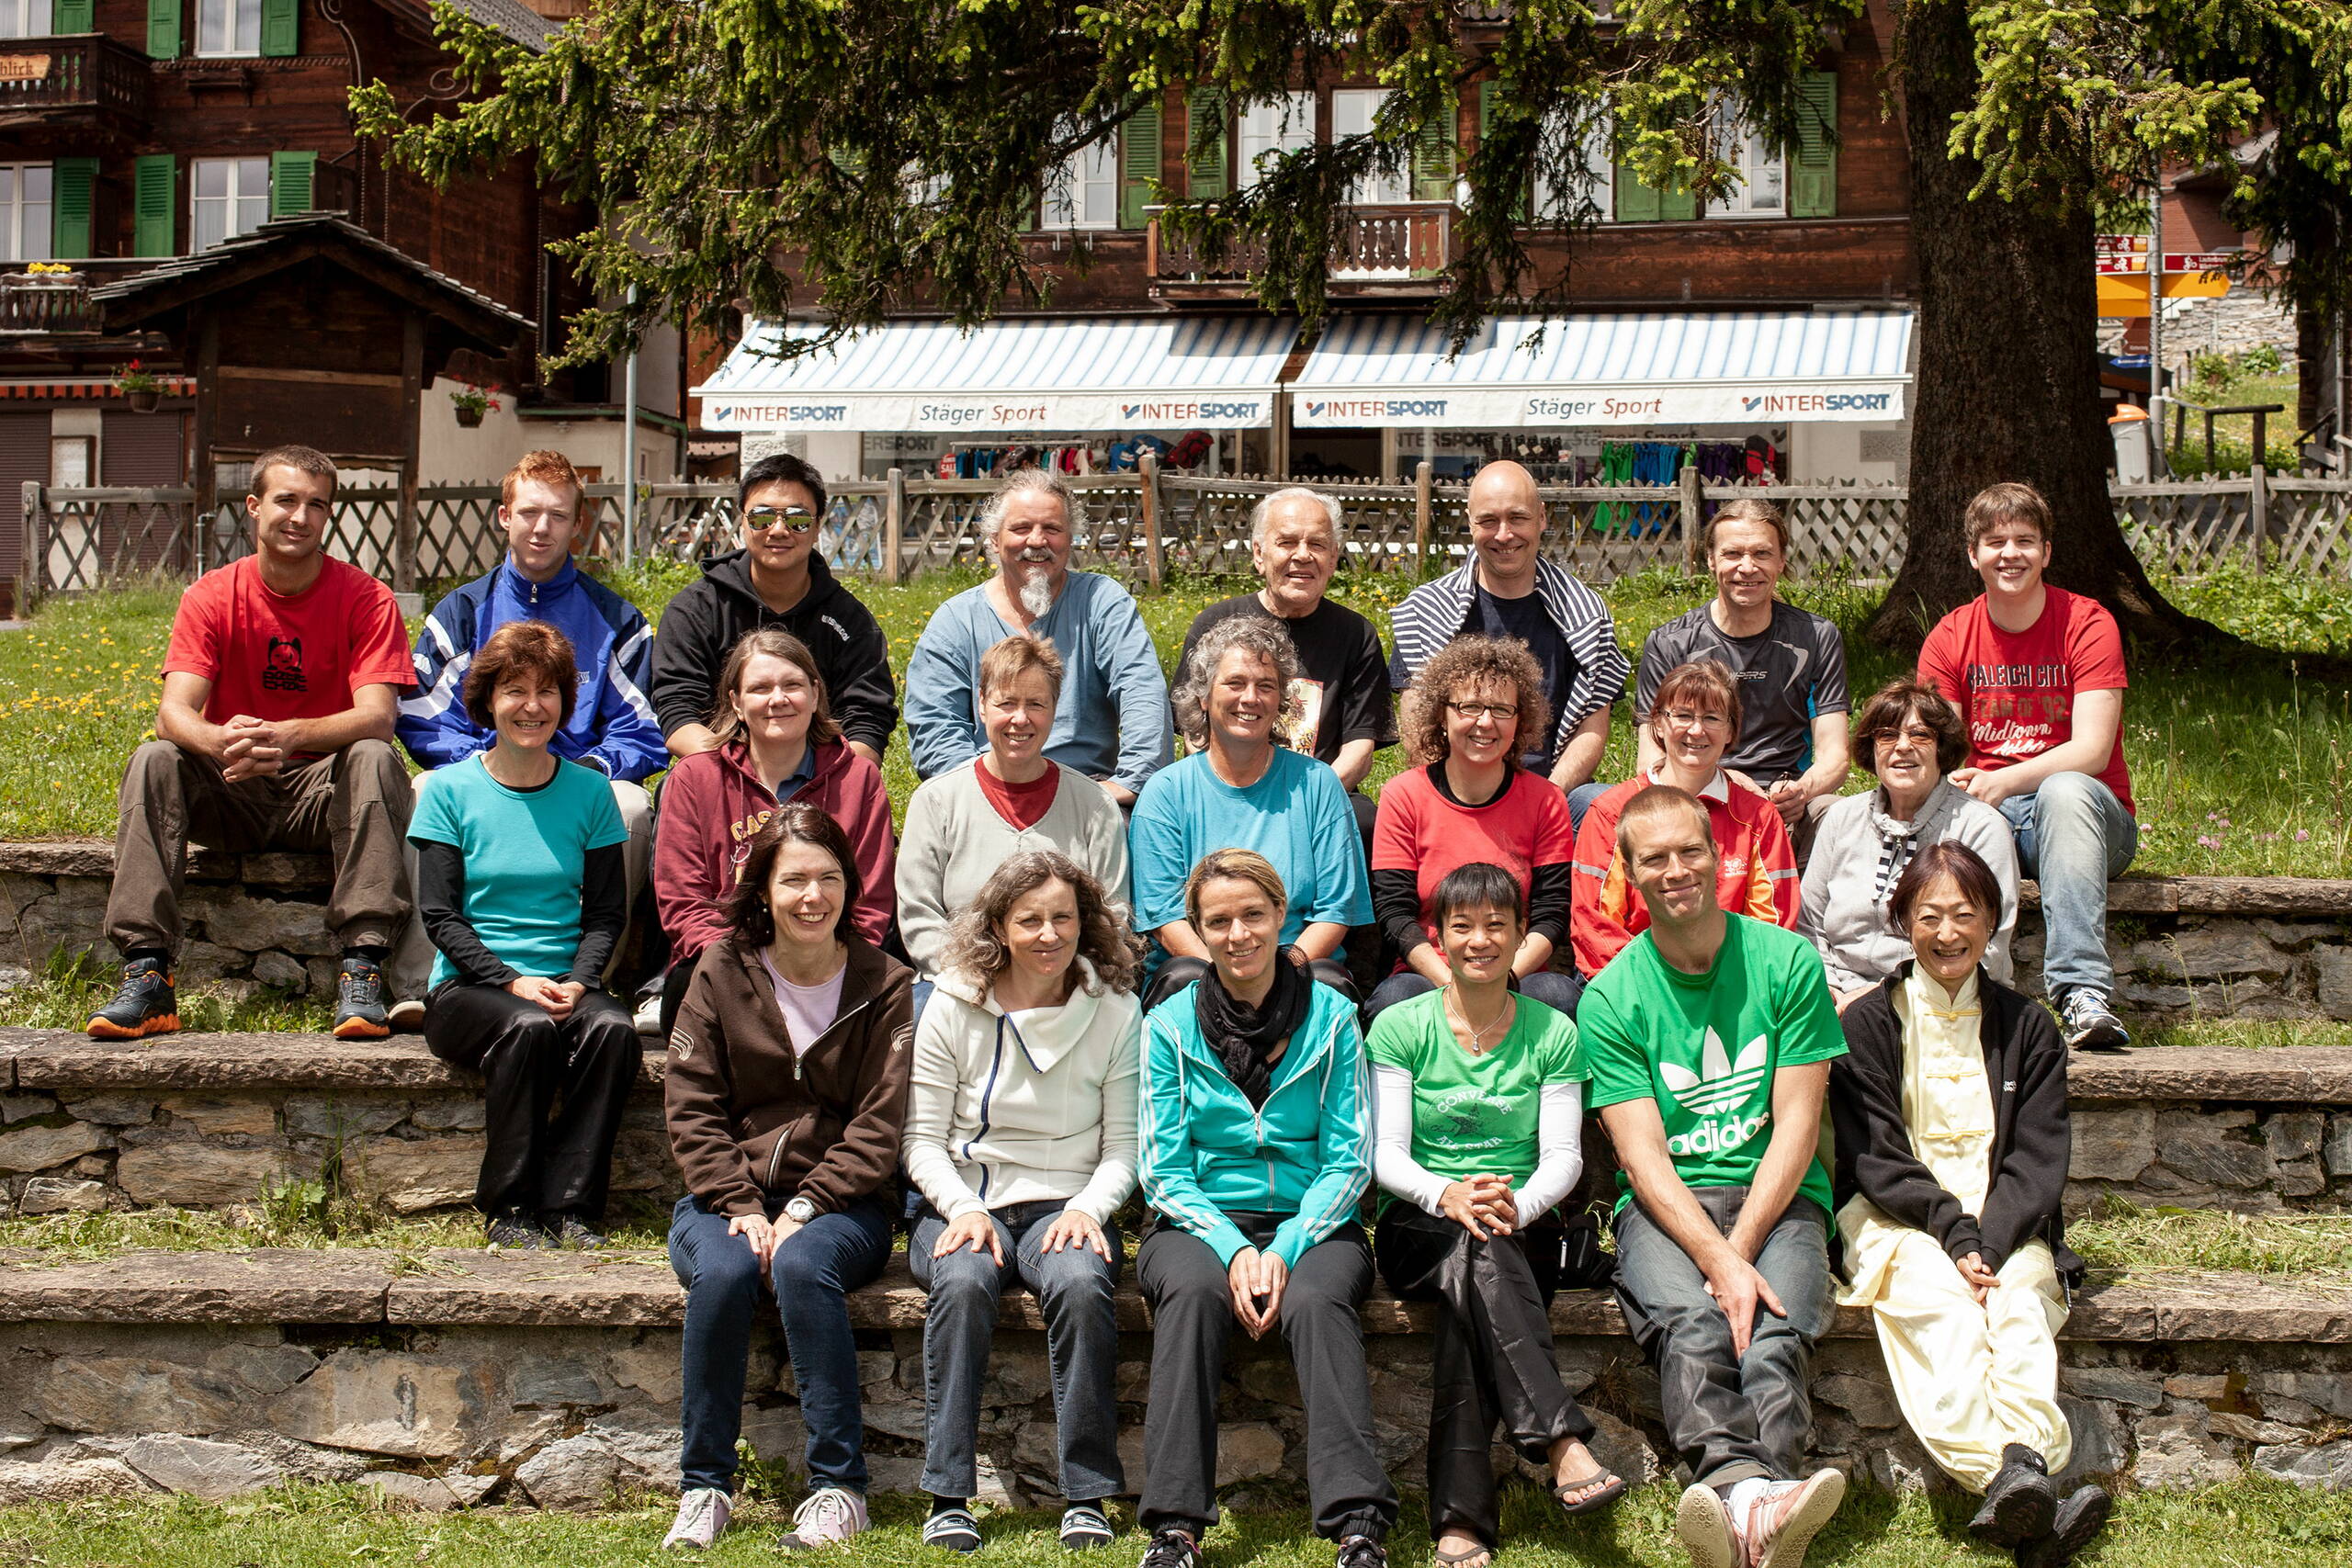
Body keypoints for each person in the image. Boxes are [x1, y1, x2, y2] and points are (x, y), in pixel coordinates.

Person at [1580, 786, 1849, 1568]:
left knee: (1775, 1326)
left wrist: (1743, 1247)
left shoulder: (1786, 960)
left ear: (1722, 854)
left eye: (1690, 850)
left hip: (1779, 1192)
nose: (1676, 870)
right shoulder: (1610, 997)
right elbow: (1643, 1158)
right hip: (1669, 1207)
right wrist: (1719, 1257)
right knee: (1695, 1325)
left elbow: (1796, 1127)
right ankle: (1756, 1501)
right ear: (1628, 874)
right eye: (1653, 859)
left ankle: (1738, 1505)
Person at [1830, 841, 2109, 1568]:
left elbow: (2037, 1158)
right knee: (1944, 1307)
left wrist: (1988, 1239)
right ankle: (2021, 1484)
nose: (1948, 932)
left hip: (2007, 1222)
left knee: (2018, 1307)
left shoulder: (2030, 1027)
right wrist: (1954, 1236)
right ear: (1902, 921)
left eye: (1966, 914)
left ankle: (2015, 1479)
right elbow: (1877, 1156)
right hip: (1898, 1220)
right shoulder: (1866, 1025)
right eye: (1930, 916)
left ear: (1993, 921)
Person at [92, 445, 414, 1042]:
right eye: (286, 499)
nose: (300, 516)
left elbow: (377, 717)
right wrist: (219, 741)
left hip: (322, 793)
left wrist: (291, 733)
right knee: (154, 757)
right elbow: (172, 714)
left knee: (373, 757)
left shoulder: (367, 599)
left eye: (316, 505)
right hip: (233, 786)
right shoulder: (211, 596)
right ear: (253, 506)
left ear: (328, 516)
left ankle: (363, 968)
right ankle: (147, 972)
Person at [662, 805, 914, 1554]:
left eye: (829, 878)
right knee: (726, 1271)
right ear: (763, 889)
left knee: (803, 1266)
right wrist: (739, 1203)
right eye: (794, 878)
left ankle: (840, 1488)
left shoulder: (885, 981)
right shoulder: (721, 968)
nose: (814, 896)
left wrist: (806, 1205)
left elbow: (880, 1123)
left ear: (851, 885)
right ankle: (704, 1486)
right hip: (723, 1195)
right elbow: (692, 1103)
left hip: (844, 1203)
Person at [1135, 850, 1396, 1568]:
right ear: (1198, 931)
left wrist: (1283, 1248)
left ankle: (1358, 1525)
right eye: (1218, 921)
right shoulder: (1168, 1026)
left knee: (1314, 1301)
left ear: (1282, 917)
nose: (1238, 933)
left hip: (1314, 1220)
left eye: (1254, 914)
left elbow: (1350, 1158)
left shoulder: (1336, 1018)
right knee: (1190, 1292)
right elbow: (1162, 1168)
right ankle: (1175, 1526)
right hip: (1195, 1218)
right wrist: (1232, 1245)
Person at [1369, 863, 1623, 1568]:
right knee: (1467, 1247)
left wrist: (1520, 1202)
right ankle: (1562, 1440)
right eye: (1463, 925)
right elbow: (1385, 1154)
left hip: (1520, 1226)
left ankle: (1462, 1524)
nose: (1480, 939)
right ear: (1438, 937)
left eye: (1496, 925)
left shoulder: (1553, 1031)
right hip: (1418, 1223)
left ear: (1520, 934)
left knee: (1472, 1282)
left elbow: (1565, 1157)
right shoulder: (1399, 1026)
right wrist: (1445, 1194)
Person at [902, 851, 1140, 1554]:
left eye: (1062, 916)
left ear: (1084, 921)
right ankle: (948, 1493)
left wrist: (1087, 1210)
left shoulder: (1116, 1010)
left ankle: (1089, 1494)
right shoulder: (952, 1001)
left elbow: (1125, 1145)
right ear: (999, 927)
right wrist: (961, 1209)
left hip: (1063, 1204)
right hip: (964, 1200)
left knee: (1079, 1280)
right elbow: (921, 1139)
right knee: (966, 1279)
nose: (1047, 933)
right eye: (1028, 918)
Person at [390, 449, 666, 1027]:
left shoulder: (616, 619)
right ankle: (422, 981)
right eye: (530, 512)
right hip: (484, 774)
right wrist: (484, 764)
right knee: (425, 794)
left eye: (558, 516)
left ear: (577, 524)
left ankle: (587, 981)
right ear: (504, 517)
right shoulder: (461, 611)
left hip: (579, 782)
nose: (542, 528)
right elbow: (419, 711)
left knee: (633, 805)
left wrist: (587, 769)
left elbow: (643, 724)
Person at [410, 620, 639, 1248]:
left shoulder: (592, 794)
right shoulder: (449, 792)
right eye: (514, 690)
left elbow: (605, 916)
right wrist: (512, 980)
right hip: (468, 990)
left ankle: (573, 1205)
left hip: (564, 980)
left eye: (547, 691)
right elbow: (441, 917)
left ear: (565, 703)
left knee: (614, 1031)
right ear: (487, 701)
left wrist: (578, 981)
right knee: (529, 1026)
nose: (531, 706)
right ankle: (508, 1206)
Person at [1918, 480, 2137, 1051]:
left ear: (2046, 551)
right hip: (1993, 814)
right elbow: (1935, 745)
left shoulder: (2088, 623)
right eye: (1995, 542)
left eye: (2025, 540)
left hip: (2090, 819)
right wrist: (1965, 786)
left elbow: (2091, 750)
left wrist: (2005, 779)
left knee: (2065, 788)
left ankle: (2081, 993)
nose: (2009, 553)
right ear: (1973, 555)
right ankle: (1953, 993)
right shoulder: (1950, 635)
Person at [651, 627, 896, 1038]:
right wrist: (751, 966)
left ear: (815, 694)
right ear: (736, 701)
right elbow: (682, 903)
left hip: (830, 964)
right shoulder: (695, 779)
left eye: (793, 685)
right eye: (760, 688)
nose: (777, 699)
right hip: (724, 963)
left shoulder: (858, 778)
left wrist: (812, 964)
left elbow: (870, 903)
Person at [1129, 615, 1370, 1010]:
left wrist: (1278, 976)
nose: (1250, 698)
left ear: (1282, 701)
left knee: (1329, 983)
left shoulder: (1318, 785)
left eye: (1266, 686)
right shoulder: (1166, 794)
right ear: (1204, 696)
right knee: (1184, 977)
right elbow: (1166, 920)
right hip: (1199, 974)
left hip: (1298, 967)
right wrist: (1232, 977)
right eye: (1235, 683)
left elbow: (1335, 910)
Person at [897, 635, 1131, 1020]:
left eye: (1036, 704)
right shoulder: (936, 801)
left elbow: (1113, 916)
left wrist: (1055, 983)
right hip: (961, 992)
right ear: (982, 705)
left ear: (1055, 710)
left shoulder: (1094, 805)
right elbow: (919, 915)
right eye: (1006, 703)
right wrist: (977, 984)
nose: (1020, 719)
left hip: (1067, 993)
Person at [905, 468, 1171, 807]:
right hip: (984, 796)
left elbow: (1141, 691)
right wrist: (985, 797)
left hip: (1087, 793)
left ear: (1070, 539)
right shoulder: (956, 621)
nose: (1037, 541)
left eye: (1052, 529)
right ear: (994, 539)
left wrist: (1132, 782)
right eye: (1020, 528)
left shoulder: (1101, 602)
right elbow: (935, 726)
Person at [1386, 460, 1627, 831]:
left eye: (1517, 518)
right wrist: (1460, 803)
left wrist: (1545, 800)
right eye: (1488, 521)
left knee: (1604, 806)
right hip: (1455, 793)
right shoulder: (1425, 610)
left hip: (1550, 792)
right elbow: (1416, 726)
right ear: (1469, 522)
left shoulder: (1586, 613)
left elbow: (1592, 728)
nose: (1504, 534)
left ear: (1542, 518)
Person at [1367, 636, 1581, 1022]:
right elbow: (1395, 913)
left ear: (1520, 721)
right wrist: (1451, 982)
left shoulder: (1545, 799)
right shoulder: (1404, 795)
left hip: (1521, 971)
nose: (1485, 722)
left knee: (1557, 997)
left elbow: (1551, 913)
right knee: (1393, 1002)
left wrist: (1505, 977)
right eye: (1470, 706)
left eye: (1502, 709)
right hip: (1429, 970)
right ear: (1442, 715)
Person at [1635, 499, 1849, 863]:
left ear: (1781, 561)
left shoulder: (1816, 636)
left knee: (1839, 814)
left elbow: (1836, 755)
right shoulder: (1670, 643)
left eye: (1762, 554)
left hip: (1787, 799)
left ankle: (1814, 919)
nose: (1747, 568)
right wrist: (1724, 784)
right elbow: (1650, 760)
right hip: (1699, 795)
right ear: (1710, 559)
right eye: (1733, 553)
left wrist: (1801, 791)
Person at [650, 451, 898, 764]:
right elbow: (677, 710)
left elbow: (868, 721)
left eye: (797, 519)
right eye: (762, 517)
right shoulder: (695, 610)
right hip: (717, 770)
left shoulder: (850, 620)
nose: (778, 530)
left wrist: (828, 780)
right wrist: (747, 777)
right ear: (743, 522)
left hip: (822, 780)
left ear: (818, 525)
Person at [1177, 489, 1395, 843]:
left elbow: (1359, 748)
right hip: (1226, 789)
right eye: (1287, 542)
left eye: (1318, 544)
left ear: (1335, 557)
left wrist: (1307, 801)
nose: (1303, 555)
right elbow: (1195, 734)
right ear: (1259, 554)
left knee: (1366, 821)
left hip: (1318, 793)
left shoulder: (1356, 634)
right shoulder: (1214, 623)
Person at [1572, 660, 1797, 977]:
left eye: (1712, 718)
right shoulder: (1611, 812)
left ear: (1731, 729)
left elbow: (1773, 926)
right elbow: (1595, 926)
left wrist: (1720, 989)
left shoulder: (1759, 817)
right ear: (1659, 724)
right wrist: (1656, 990)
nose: (1696, 730)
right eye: (1682, 715)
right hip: (1635, 986)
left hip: (1734, 983)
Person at [1802, 680, 2019, 1007]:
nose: (1903, 747)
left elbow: (1988, 947)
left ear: (1942, 748)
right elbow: (1809, 923)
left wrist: (1876, 1000)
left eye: (1920, 735)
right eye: (1888, 735)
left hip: (1942, 1000)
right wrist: (1828, 988)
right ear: (1872, 749)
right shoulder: (1840, 819)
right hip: (1836, 996)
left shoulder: (1982, 827)